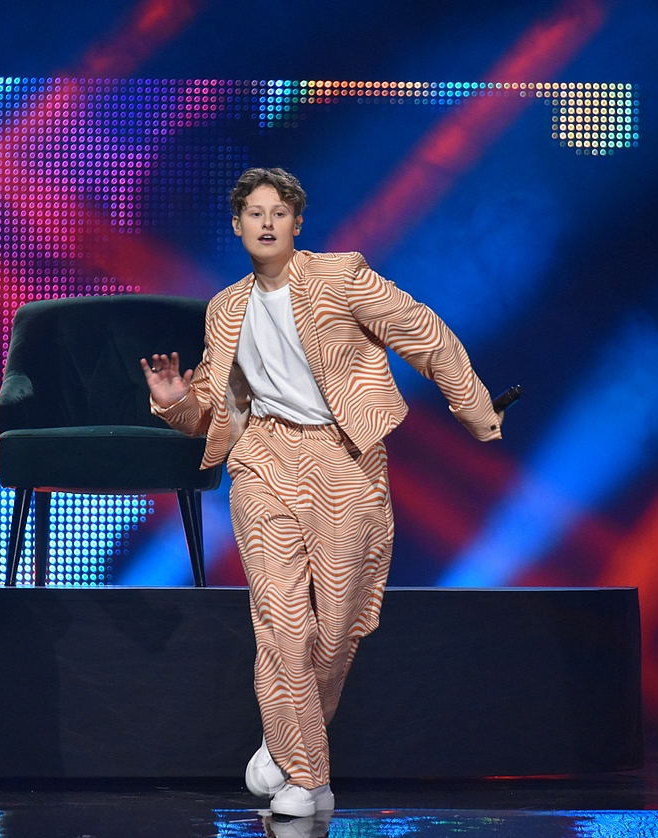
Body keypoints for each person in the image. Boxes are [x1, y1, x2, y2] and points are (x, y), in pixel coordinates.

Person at [141, 167, 502, 818]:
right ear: (238, 224)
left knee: (335, 632)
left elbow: (424, 334)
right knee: (282, 623)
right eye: (255, 213)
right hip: (262, 462)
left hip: (343, 462)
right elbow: (214, 411)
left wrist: (477, 411)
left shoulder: (341, 278)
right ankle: (309, 780)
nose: (267, 223)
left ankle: (283, 743)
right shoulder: (225, 308)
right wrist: (173, 404)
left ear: (297, 223)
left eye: (279, 212)